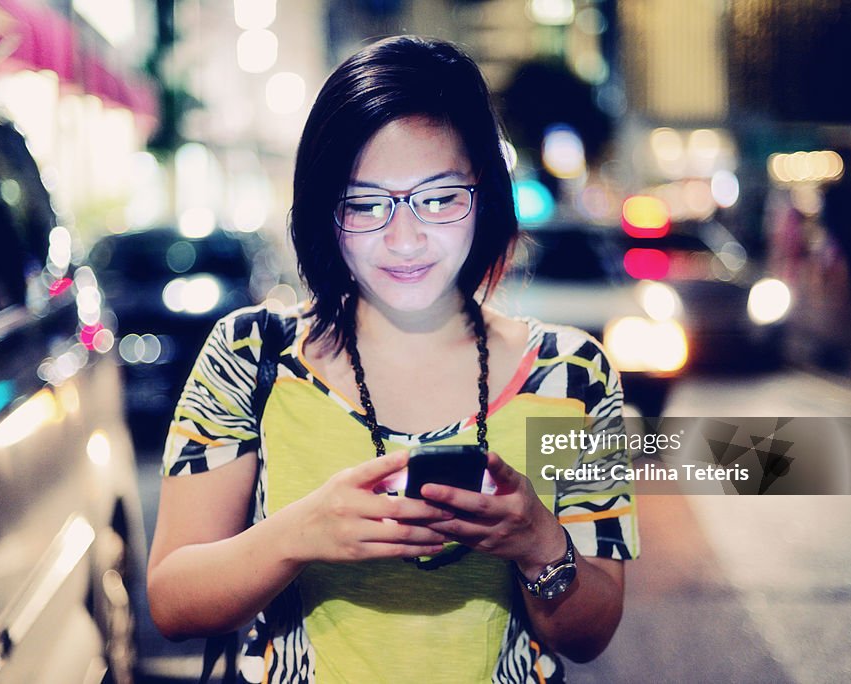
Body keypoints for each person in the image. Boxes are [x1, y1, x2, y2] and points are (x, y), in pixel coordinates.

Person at [147, 35, 638, 684]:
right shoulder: (251, 354)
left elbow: (590, 633)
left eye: (437, 198)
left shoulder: (571, 376)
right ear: (326, 213)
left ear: (484, 193)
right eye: (365, 203)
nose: (404, 240)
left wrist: (540, 544)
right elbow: (173, 600)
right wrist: (299, 534)